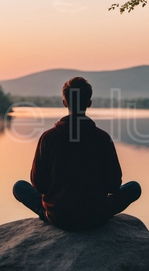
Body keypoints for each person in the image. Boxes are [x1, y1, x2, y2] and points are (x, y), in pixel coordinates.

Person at [13, 77, 141, 231]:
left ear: (64, 103)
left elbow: (40, 186)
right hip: (96, 216)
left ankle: (47, 212)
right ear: (89, 103)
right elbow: (114, 185)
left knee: (19, 187)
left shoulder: (49, 138)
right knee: (134, 188)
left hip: (58, 217)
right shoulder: (102, 138)